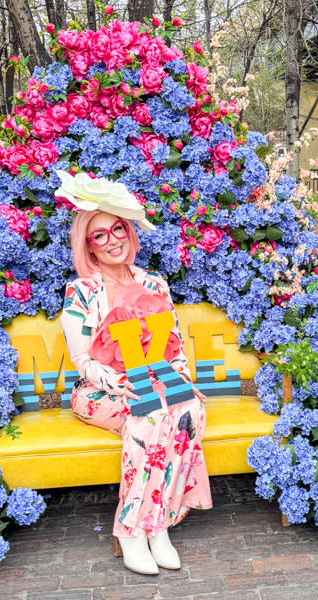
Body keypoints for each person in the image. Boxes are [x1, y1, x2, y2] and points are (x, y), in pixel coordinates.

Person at [57, 172, 212, 576]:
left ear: (129, 230)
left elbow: (175, 345)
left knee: (188, 411)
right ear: (87, 245)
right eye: (99, 235)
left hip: (155, 382)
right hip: (99, 391)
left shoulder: (154, 284)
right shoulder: (83, 292)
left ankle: (158, 525)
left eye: (118, 229)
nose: (112, 240)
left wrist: (180, 382)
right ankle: (131, 531)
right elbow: (83, 362)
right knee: (149, 418)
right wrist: (122, 384)